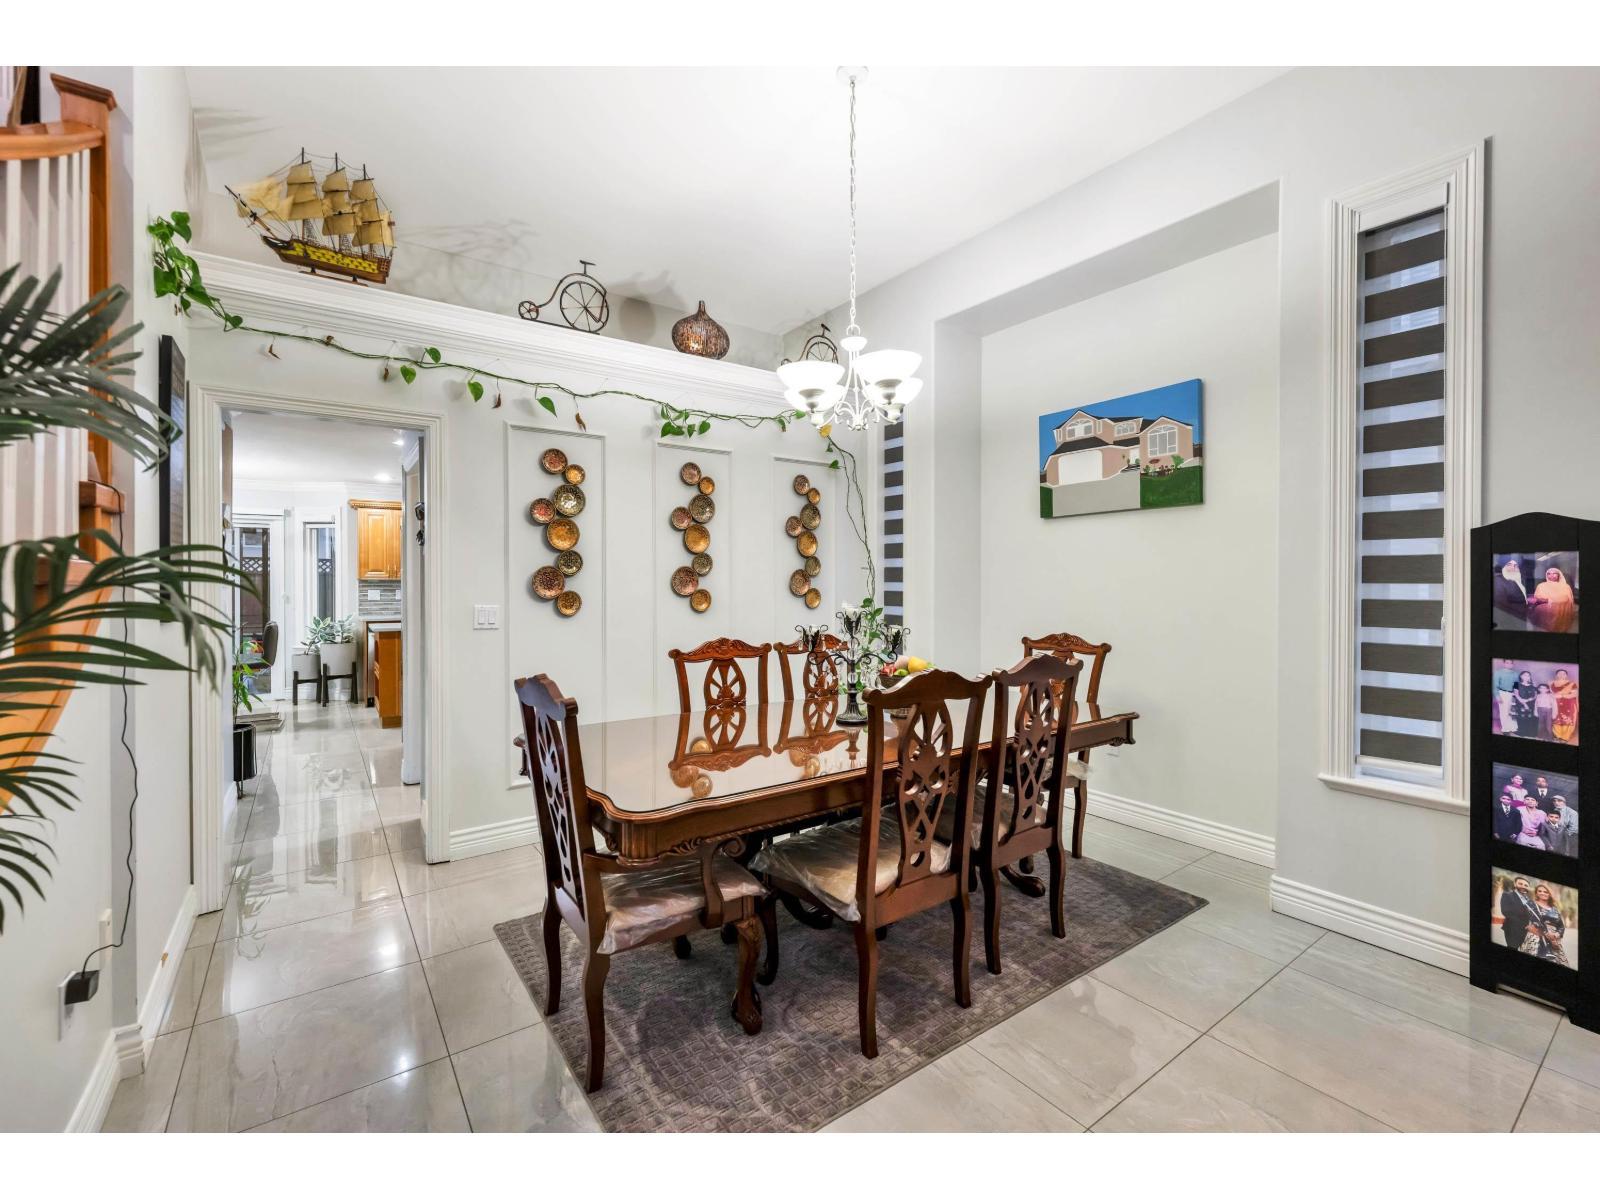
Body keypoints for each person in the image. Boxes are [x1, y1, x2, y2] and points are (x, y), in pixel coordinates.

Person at [1522, 882, 1570, 968]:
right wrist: (1546, 934)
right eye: (1539, 891)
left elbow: (1561, 926)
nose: (1542, 893)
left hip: (1554, 940)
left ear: (1549, 894)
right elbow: (1529, 920)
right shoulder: (1531, 904)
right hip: (1536, 936)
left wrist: (1556, 935)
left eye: (1545, 891)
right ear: (1536, 893)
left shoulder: (1554, 909)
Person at [1528, 566, 1578, 634]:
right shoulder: (1541, 585)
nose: (1551, 575)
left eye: (1554, 573)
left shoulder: (1566, 586)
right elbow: (1538, 597)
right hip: (1544, 613)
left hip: (1562, 611)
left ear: (1559, 575)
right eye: (1549, 573)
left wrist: (1550, 600)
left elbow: (1567, 598)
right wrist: (1549, 600)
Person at [1500, 876, 1538, 952]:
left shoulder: (1529, 900)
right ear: (1515, 884)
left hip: (1527, 931)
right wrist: (1525, 924)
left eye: (1526, 885)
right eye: (1520, 884)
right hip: (1512, 929)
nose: (1523, 886)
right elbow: (1506, 911)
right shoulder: (1507, 895)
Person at [1493, 560, 1530, 627]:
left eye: (1516, 566)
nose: (1513, 568)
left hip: (1519, 620)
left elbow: (1517, 598)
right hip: (1512, 623)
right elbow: (1500, 608)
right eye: (1509, 565)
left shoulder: (1516, 582)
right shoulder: (1499, 581)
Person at [1551, 669, 1579, 743]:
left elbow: (1574, 694)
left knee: (1568, 719)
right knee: (1556, 719)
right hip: (1556, 704)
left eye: (1563, 673)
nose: (1561, 675)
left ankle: (1565, 737)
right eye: (1559, 673)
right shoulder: (1552, 684)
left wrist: (1561, 695)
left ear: (1566, 675)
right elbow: (1551, 695)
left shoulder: (1572, 684)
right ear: (1556, 675)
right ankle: (1557, 735)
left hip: (1569, 704)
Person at [1493, 659, 1521, 734]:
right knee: (1504, 712)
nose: (1509, 664)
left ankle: (1513, 728)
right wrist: (1497, 696)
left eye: (1511, 663)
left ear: (1513, 664)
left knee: (1512, 712)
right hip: (1502, 693)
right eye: (1507, 663)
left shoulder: (1515, 674)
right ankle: (1505, 729)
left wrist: (1516, 695)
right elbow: (1494, 685)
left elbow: (1516, 685)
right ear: (1504, 663)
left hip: (1512, 694)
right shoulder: (1498, 673)